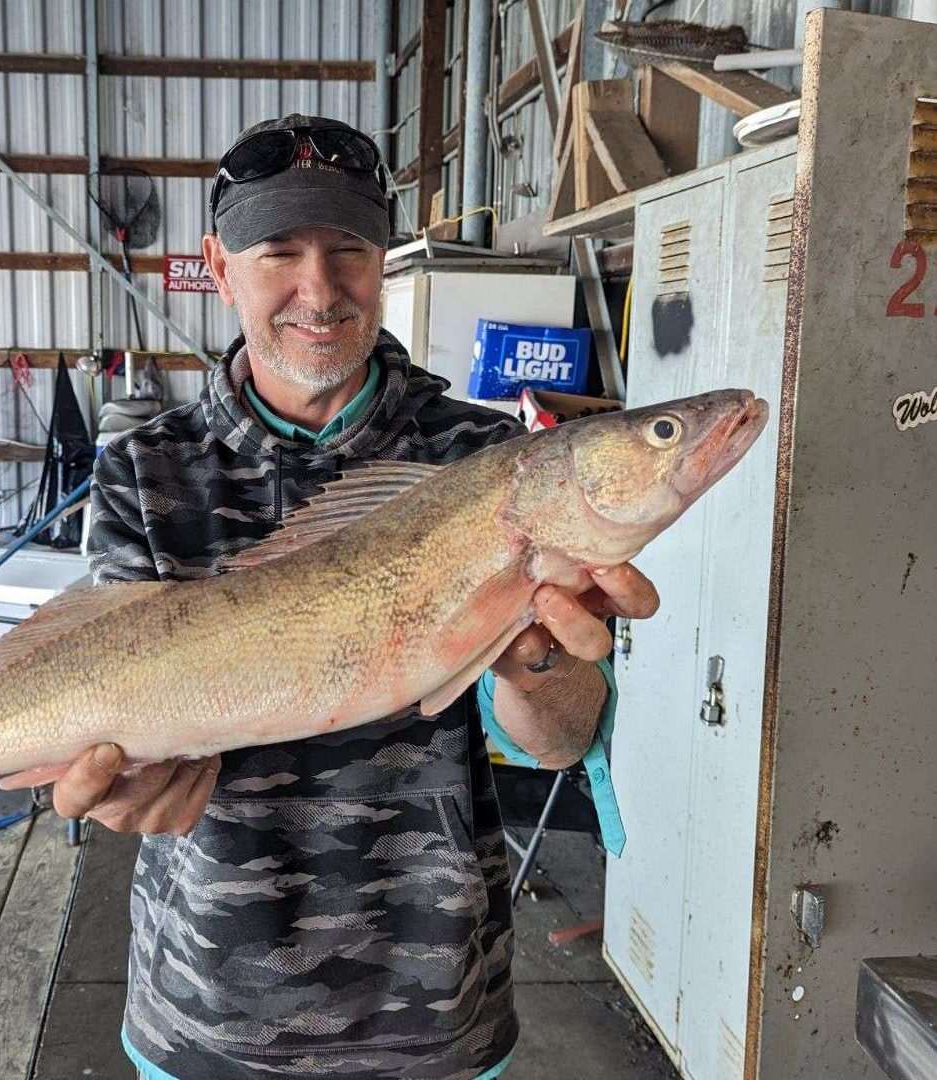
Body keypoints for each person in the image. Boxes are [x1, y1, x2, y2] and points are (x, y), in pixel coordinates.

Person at [56, 115, 660, 1080]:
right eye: (278, 252)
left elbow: (557, 743)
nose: (320, 289)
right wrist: (122, 789)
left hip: (433, 1014)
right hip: (212, 1017)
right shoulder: (145, 470)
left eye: (349, 250)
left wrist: (538, 659)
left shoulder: (486, 459)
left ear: (385, 259)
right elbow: (115, 734)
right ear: (218, 264)